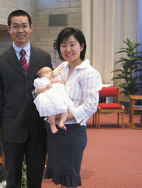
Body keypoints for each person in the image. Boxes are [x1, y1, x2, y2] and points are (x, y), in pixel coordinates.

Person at [0, 10, 52, 188]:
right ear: (9, 29)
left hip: (37, 128)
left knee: (35, 177)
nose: (20, 30)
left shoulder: (44, 57)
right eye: (16, 26)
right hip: (11, 128)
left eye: (24, 26)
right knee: (12, 179)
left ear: (31, 28)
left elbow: (50, 91)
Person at [44, 27, 102, 188]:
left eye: (72, 45)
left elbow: (90, 106)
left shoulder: (89, 73)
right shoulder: (62, 67)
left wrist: (65, 117)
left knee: (69, 177)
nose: (68, 50)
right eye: (63, 45)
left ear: (81, 46)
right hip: (55, 131)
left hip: (72, 131)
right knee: (60, 176)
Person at [33, 66, 74, 133]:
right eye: (47, 72)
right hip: (49, 99)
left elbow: (64, 83)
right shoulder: (40, 81)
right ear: (41, 75)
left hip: (59, 98)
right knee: (51, 111)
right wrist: (46, 87)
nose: (50, 73)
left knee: (65, 109)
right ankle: (52, 126)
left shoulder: (55, 79)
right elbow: (37, 90)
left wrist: (57, 81)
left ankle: (61, 122)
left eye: (51, 71)